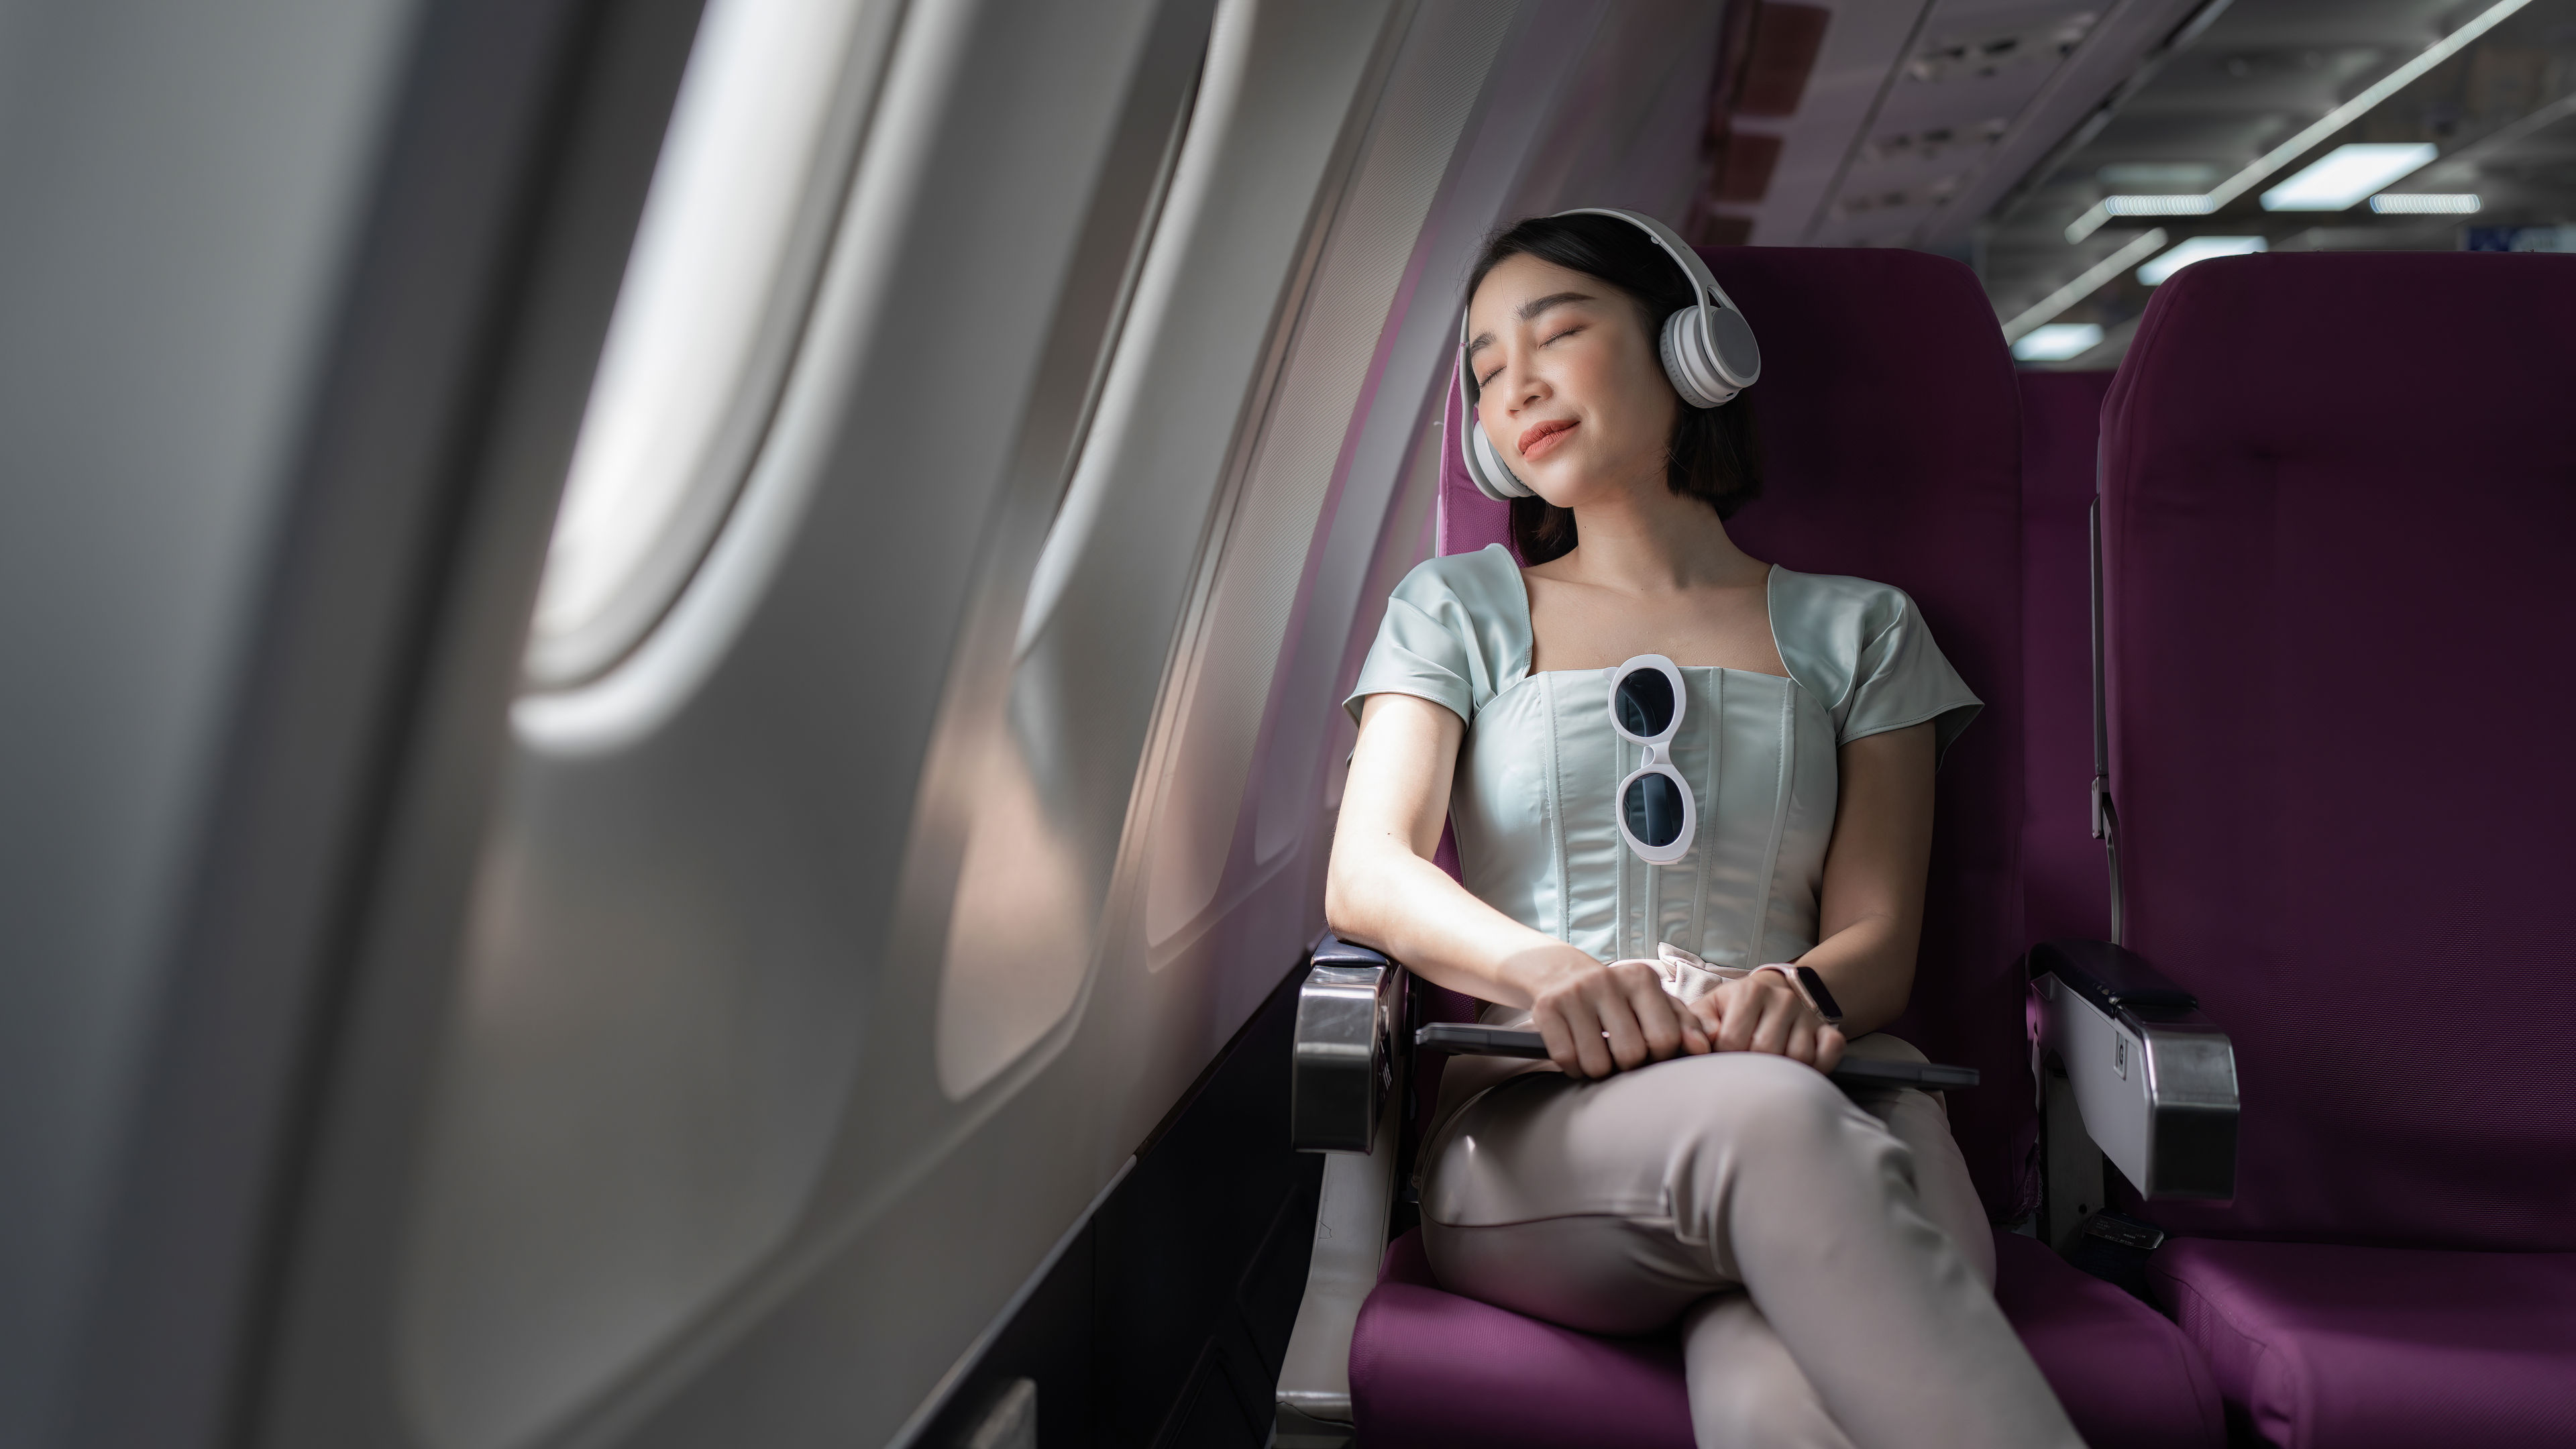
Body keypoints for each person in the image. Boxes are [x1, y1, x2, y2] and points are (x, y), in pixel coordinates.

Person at [1324, 211, 2082, 1449]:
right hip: (1538, 1127)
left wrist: (1804, 995)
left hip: (1845, 1102)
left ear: (1694, 353)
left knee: (1780, 1385)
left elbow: (1881, 938)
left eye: (1557, 333)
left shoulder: (1866, 631)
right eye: (1482, 370)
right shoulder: (1453, 607)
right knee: (1782, 1140)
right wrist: (1542, 971)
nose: (1514, 383)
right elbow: (1368, 871)